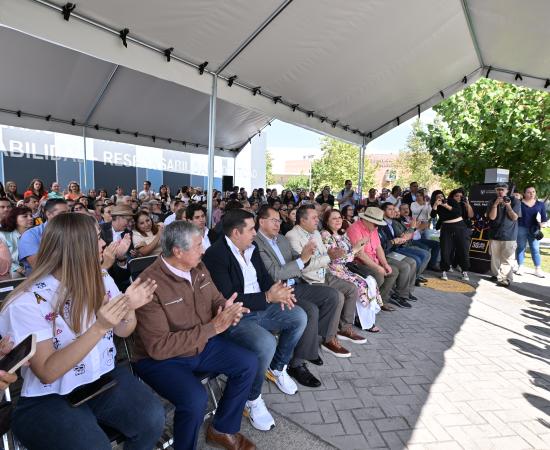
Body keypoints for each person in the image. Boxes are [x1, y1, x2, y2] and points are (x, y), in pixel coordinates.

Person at [0, 213, 165, 450]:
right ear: (76, 248)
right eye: (97, 238)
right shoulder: (28, 302)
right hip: (48, 397)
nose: (103, 244)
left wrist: (128, 307)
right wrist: (99, 327)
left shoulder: (101, 277)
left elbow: (124, 331)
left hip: (100, 378)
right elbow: (47, 372)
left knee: (152, 419)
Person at [132, 221, 257, 450]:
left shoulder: (198, 267)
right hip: (161, 360)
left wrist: (227, 310)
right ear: (178, 251)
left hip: (200, 344)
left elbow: (215, 299)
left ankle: (222, 429)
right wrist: (214, 328)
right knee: (195, 399)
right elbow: (159, 347)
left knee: (249, 362)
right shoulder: (148, 285)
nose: (204, 249)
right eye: (199, 245)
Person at [203, 209, 307, 432]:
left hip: (262, 307)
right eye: (251, 229)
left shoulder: (251, 248)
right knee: (265, 343)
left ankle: (277, 368)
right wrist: (269, 296)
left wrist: (280, 292)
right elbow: (228, 297)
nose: (255, 233)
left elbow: (266, 279)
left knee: (298, 316)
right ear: (235, 232)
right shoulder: (216, 255)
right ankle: (252, 399)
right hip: (237, 315)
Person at [255, 206, 344, 386]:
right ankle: (297, 364)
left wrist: (316, 255)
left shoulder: (280, 239)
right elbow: (275, 274)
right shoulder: (256, 243)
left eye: (279, 220)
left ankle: (312, 345)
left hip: (295, 284)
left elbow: (297, 258)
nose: (278, 224)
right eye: (273, 220)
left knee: (333, 296)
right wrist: (302, 259)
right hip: (277, 291)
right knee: (309, 310)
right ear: (261, 221)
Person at [286, 205, 366, 345]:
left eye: (318, 217)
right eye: (314, 217)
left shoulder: (315, 233)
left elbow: (324, 255)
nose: (318, 220)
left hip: (325, 273)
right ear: (302, 220)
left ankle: (345, 328)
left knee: (352, 288)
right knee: (338, 296)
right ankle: (328, 338)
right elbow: (303, 266)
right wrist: (329, 257)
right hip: (310, 280)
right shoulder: (292, 236)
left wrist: (333, 255)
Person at [321, 209, 381, 332]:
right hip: (334, 270)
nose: (338, 220)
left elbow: (350, 255)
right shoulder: (326, 236)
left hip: (345, 268)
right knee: (361, 284)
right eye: (334, 218)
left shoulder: (342, 234)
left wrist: (356, 250)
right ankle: (363, 321)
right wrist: (354, 250)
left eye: (339, 217)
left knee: (371, 281)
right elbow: (335, 260)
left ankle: (365, 318)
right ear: (327, 222)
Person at [346, 208, 400, 311]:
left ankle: (380, 301)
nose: (377, 226)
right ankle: (366, 306)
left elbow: (378, 247)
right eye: (376, 224)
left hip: (372, 260)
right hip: (357, 263)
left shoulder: (373, 228)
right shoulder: (355, 229)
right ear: (367, 220)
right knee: (378, 276)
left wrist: (384, 264)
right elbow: (360, 254)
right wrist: (378, 268)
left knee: (393, 271)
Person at [379, 203, 430, 282]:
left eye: (394, 210)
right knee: (415, 259)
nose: (394, 212)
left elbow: (404, 237)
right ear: (383, 211)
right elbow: (403, 238)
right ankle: (411, 281)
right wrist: (412, 228)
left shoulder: (393, 222)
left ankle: (412, 280)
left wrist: (413, 229)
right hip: (394, 250)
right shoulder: (383, 224)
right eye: (390, 209)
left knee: (423, 254)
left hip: (399, 247)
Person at [18, 198, 69, 275]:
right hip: (41, 282)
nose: (68, 217)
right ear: (48, 214)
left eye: (69, 213)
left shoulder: (74, 232)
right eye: (62, 213)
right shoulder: (30, 235)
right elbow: (39, 266)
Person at [430, 190, 471, 282]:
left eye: (441, 196)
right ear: (435, 198)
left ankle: (464, 271)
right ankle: (444, 270)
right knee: (445, 249)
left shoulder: (451, 201)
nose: (440, 198)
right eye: (438, 197)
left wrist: (446, 205)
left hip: (459, 226)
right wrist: (436, 205)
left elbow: (458, 213)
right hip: (446, 228)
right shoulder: (436, 205)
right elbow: (432, 215)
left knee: (463, 248)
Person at [486, 183, 521, 287]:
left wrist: (508, 206)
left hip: (509, 235)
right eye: (498, 189)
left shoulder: (515, 201)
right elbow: (492, 217)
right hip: (494, 234)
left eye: (502, 189)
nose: (500, 191)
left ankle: (505, 279)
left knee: (507, 258)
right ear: (495, 191)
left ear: (507, 190)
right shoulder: (492, 201)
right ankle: (496, 275)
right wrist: (495, 205)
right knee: (495, 257)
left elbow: (514, 217)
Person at [100, 205, 134, 290]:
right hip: (100, 277)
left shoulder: (128, 233)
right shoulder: (100, 230)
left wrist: (124, 256)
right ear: (118, 218)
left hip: (120, 279)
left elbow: (127, 259)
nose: (130, 223)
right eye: (128, 220)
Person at [516, 186, 547, 278]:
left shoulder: (540, 204)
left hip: (534, 229)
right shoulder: (519, 203)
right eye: (529, 192)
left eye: (533, 192)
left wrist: (540, 224)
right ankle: (520, 267)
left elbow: (544, 219)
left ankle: (537, 269)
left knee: (535, 249)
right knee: (521, 247)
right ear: (524, 193)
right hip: (521, 227)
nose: (532, 194)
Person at [0, 206, 34, 275]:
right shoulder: (3, 235)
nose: (30, 218)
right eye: (25, 216)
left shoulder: (35, 233)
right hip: (12, 271)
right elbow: (3, 259)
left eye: (31, 215)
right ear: (15, 219)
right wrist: (18, 269)